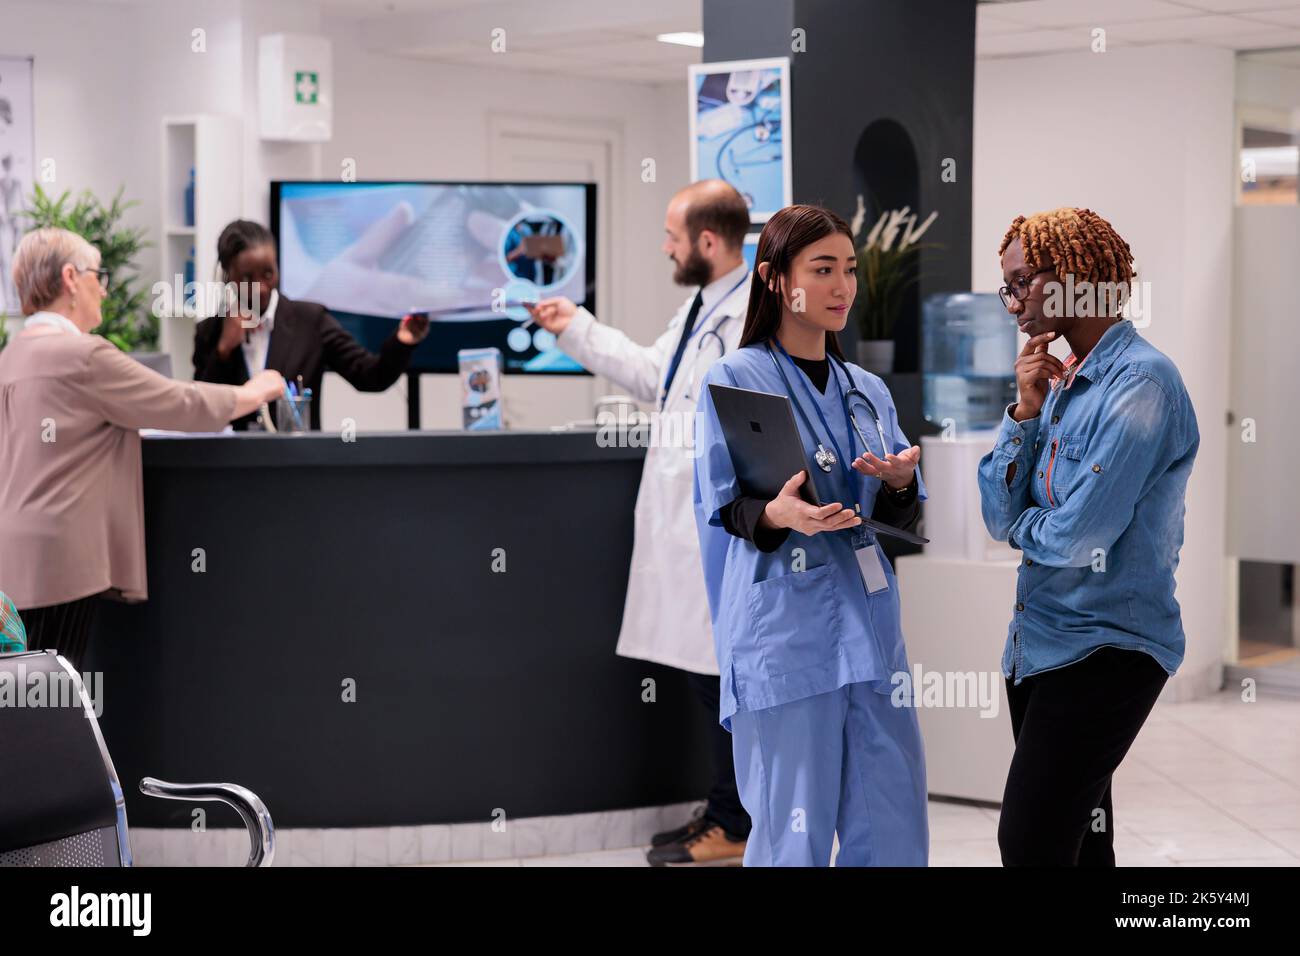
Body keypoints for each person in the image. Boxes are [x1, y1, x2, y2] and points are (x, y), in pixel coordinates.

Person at [692, 204, 929, 867]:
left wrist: (901, 483)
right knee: (792, 837)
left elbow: (900, 521)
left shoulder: (868, 390)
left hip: (872, 634)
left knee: (892, 827)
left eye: (849, 270)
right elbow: (725, 505)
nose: (842, 287)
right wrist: (780, 515)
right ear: (774, 279)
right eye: (822, 269)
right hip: (786, 638)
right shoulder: (734, 378)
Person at [526, 179, 753, 865]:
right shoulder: (701, 307)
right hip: (684, 529)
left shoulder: (747, 316)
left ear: (706, 242)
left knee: (720, 677)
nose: (665, 247)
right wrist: (578, 326)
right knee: (701, 675)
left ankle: (736, 821)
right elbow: (657, 374)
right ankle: (721, 810)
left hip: (717, 530)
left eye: (671, 235)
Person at [977, 207, 1199, 866]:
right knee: (1080, 842)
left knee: (1030, 842)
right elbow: (996, 515)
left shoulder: (1143, 383)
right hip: (1038, 646)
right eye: (1006, 288)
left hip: (1107, 651)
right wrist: (1023, 410)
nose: (1012, 302)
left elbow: (1082, 535)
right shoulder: (1062, 382)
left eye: (1022, 282)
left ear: (1073, 276)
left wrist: (1023, 526)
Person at [0, 228, 285, 669]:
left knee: (21, 695)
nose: (105, 288)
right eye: (100, 275)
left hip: (13, 557)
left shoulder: (12, 356)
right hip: (60, 562)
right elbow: (180, 403)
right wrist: (254, 391)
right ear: (71, 278)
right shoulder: (84, 357)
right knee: (51, 698)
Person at [192, 220, 430, 430]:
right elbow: (200, 412)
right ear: (227, 275)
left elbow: (370, 377)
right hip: (231, 469)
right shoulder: (209, 332)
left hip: (297, 468)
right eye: (247, 278)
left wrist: (403, 342)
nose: (261, 287)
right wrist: (223, 350)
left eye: (268, 273)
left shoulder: (310, 320)